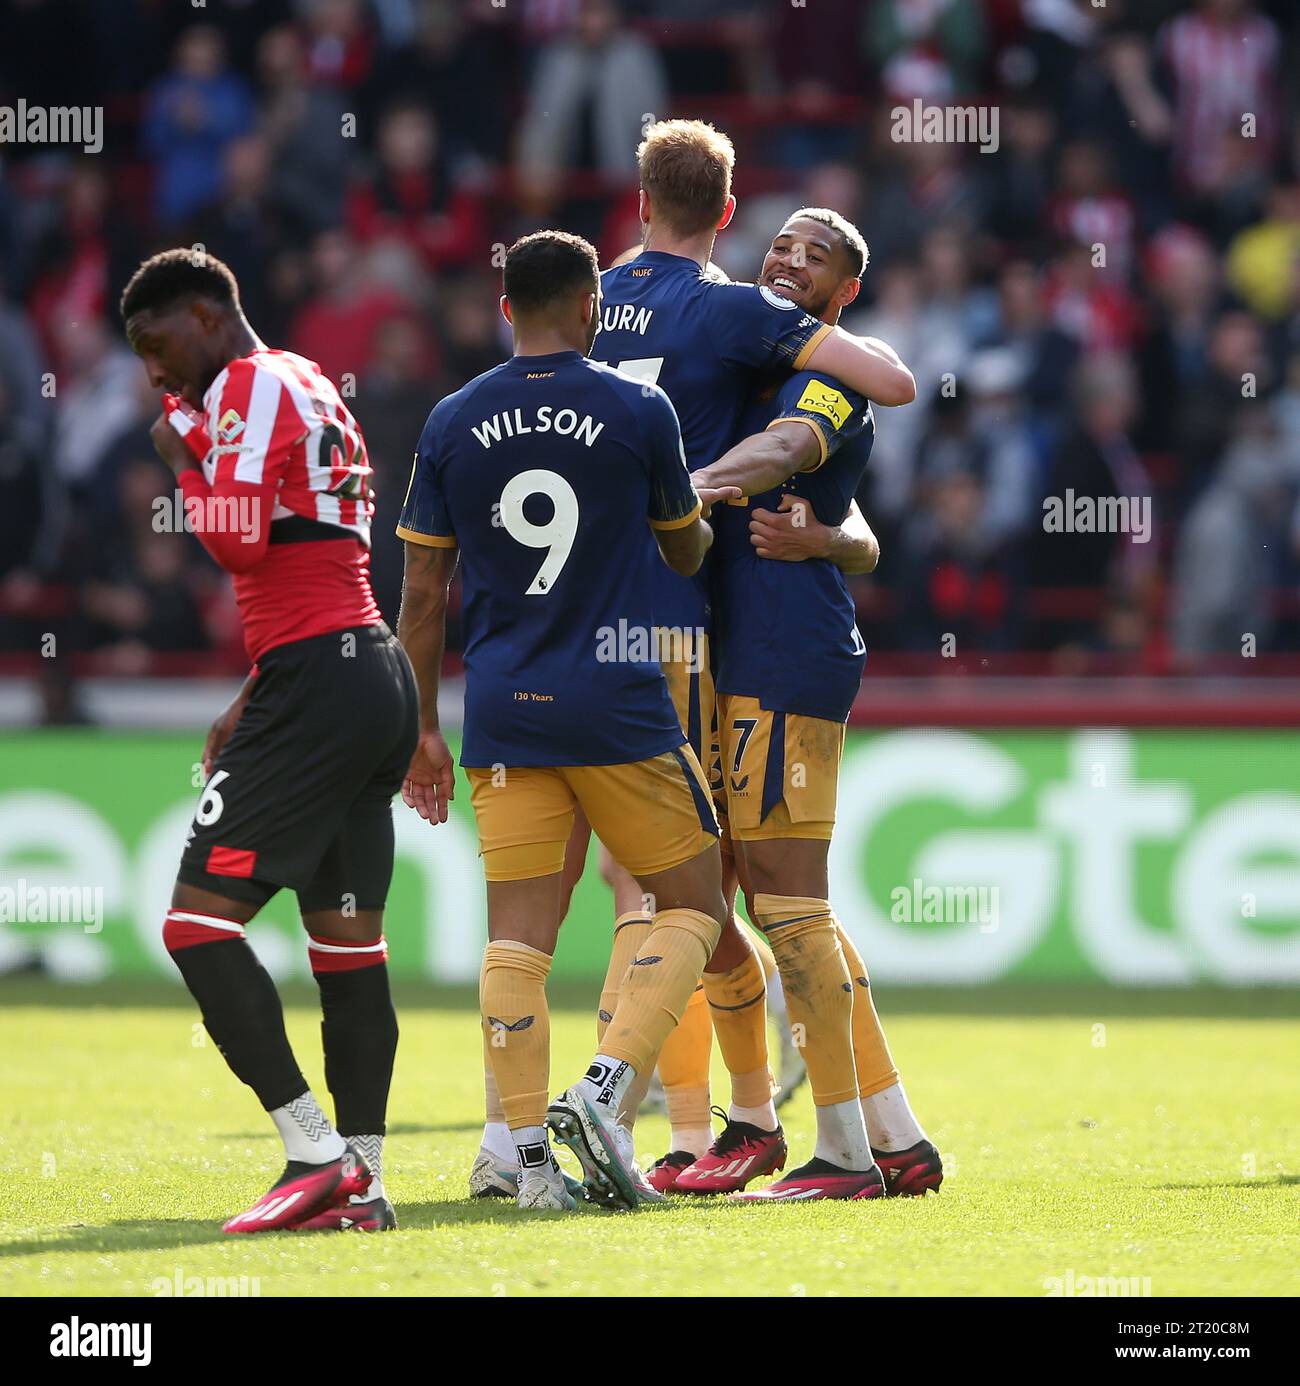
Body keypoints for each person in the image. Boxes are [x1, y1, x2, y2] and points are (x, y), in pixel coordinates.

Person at [396, 230, 737, 1211]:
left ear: (505, 308)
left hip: (505, 706)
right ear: (592, 307)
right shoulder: (639, 407)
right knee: (697, 905)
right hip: (621, 700)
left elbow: (422, 595)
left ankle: (508, 1151)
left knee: (518, 940)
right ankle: (600, 1088)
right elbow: (684, 551)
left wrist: (423, 727)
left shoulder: (454, 417)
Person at [122, 248, 418, 1234]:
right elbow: (315, 550)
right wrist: (255, 689)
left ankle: (313, 1151)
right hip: (361, 665)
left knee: (195, 927)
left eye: (159, 346)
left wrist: (181, 453)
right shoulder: (306, 383)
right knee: (346, 946)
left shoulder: (247, 384)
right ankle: (364, 1182)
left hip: (321, 679)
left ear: (208, 315)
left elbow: (241, 539)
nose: (156, 374)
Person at [690, 209, 943, 1198]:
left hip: (789, 652)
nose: (790, 257)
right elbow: (857, 525)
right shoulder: (747, 357)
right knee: (772, 902)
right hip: (743, 650)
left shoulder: (826, 375)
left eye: (818, 253)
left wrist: (678, 490)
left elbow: (789, 448)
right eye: (783, 243)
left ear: (844, 295)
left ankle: (839, 1151)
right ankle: (896, 1136)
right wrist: (832, 535)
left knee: (790, 905)